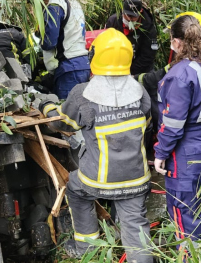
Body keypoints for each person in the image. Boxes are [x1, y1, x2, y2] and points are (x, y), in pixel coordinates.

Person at [39, 28, 153, 263]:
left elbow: (62, 124)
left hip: (98, 179)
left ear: (94, 57)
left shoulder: (82, 94)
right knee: (135, 224)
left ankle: (86, 245)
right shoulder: (141, 93)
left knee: (76, 189)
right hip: (136, 178)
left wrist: (46, 105)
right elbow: (147, 125)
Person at [152, 13, 201, 240]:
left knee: (185, 211)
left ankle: (190, 254)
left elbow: (173, 124)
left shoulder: (179, 75)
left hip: (188, 150)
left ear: (177, 42)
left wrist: (161, 153)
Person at [27, 0, 90, 99]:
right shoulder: (71, 1)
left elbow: (49, 41)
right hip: (82, 63)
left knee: (67, 111)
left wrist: (41, 44)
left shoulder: (54, 5)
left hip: (69, 67)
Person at [105, 0, 159, 75]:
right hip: (118, 65)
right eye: (127, 15)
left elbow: (148, 56)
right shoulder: (113, 21)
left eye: (133, 16)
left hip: (141, 67)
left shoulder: (148, 26)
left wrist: (130, 72)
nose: (129, 19)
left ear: (140, 12)